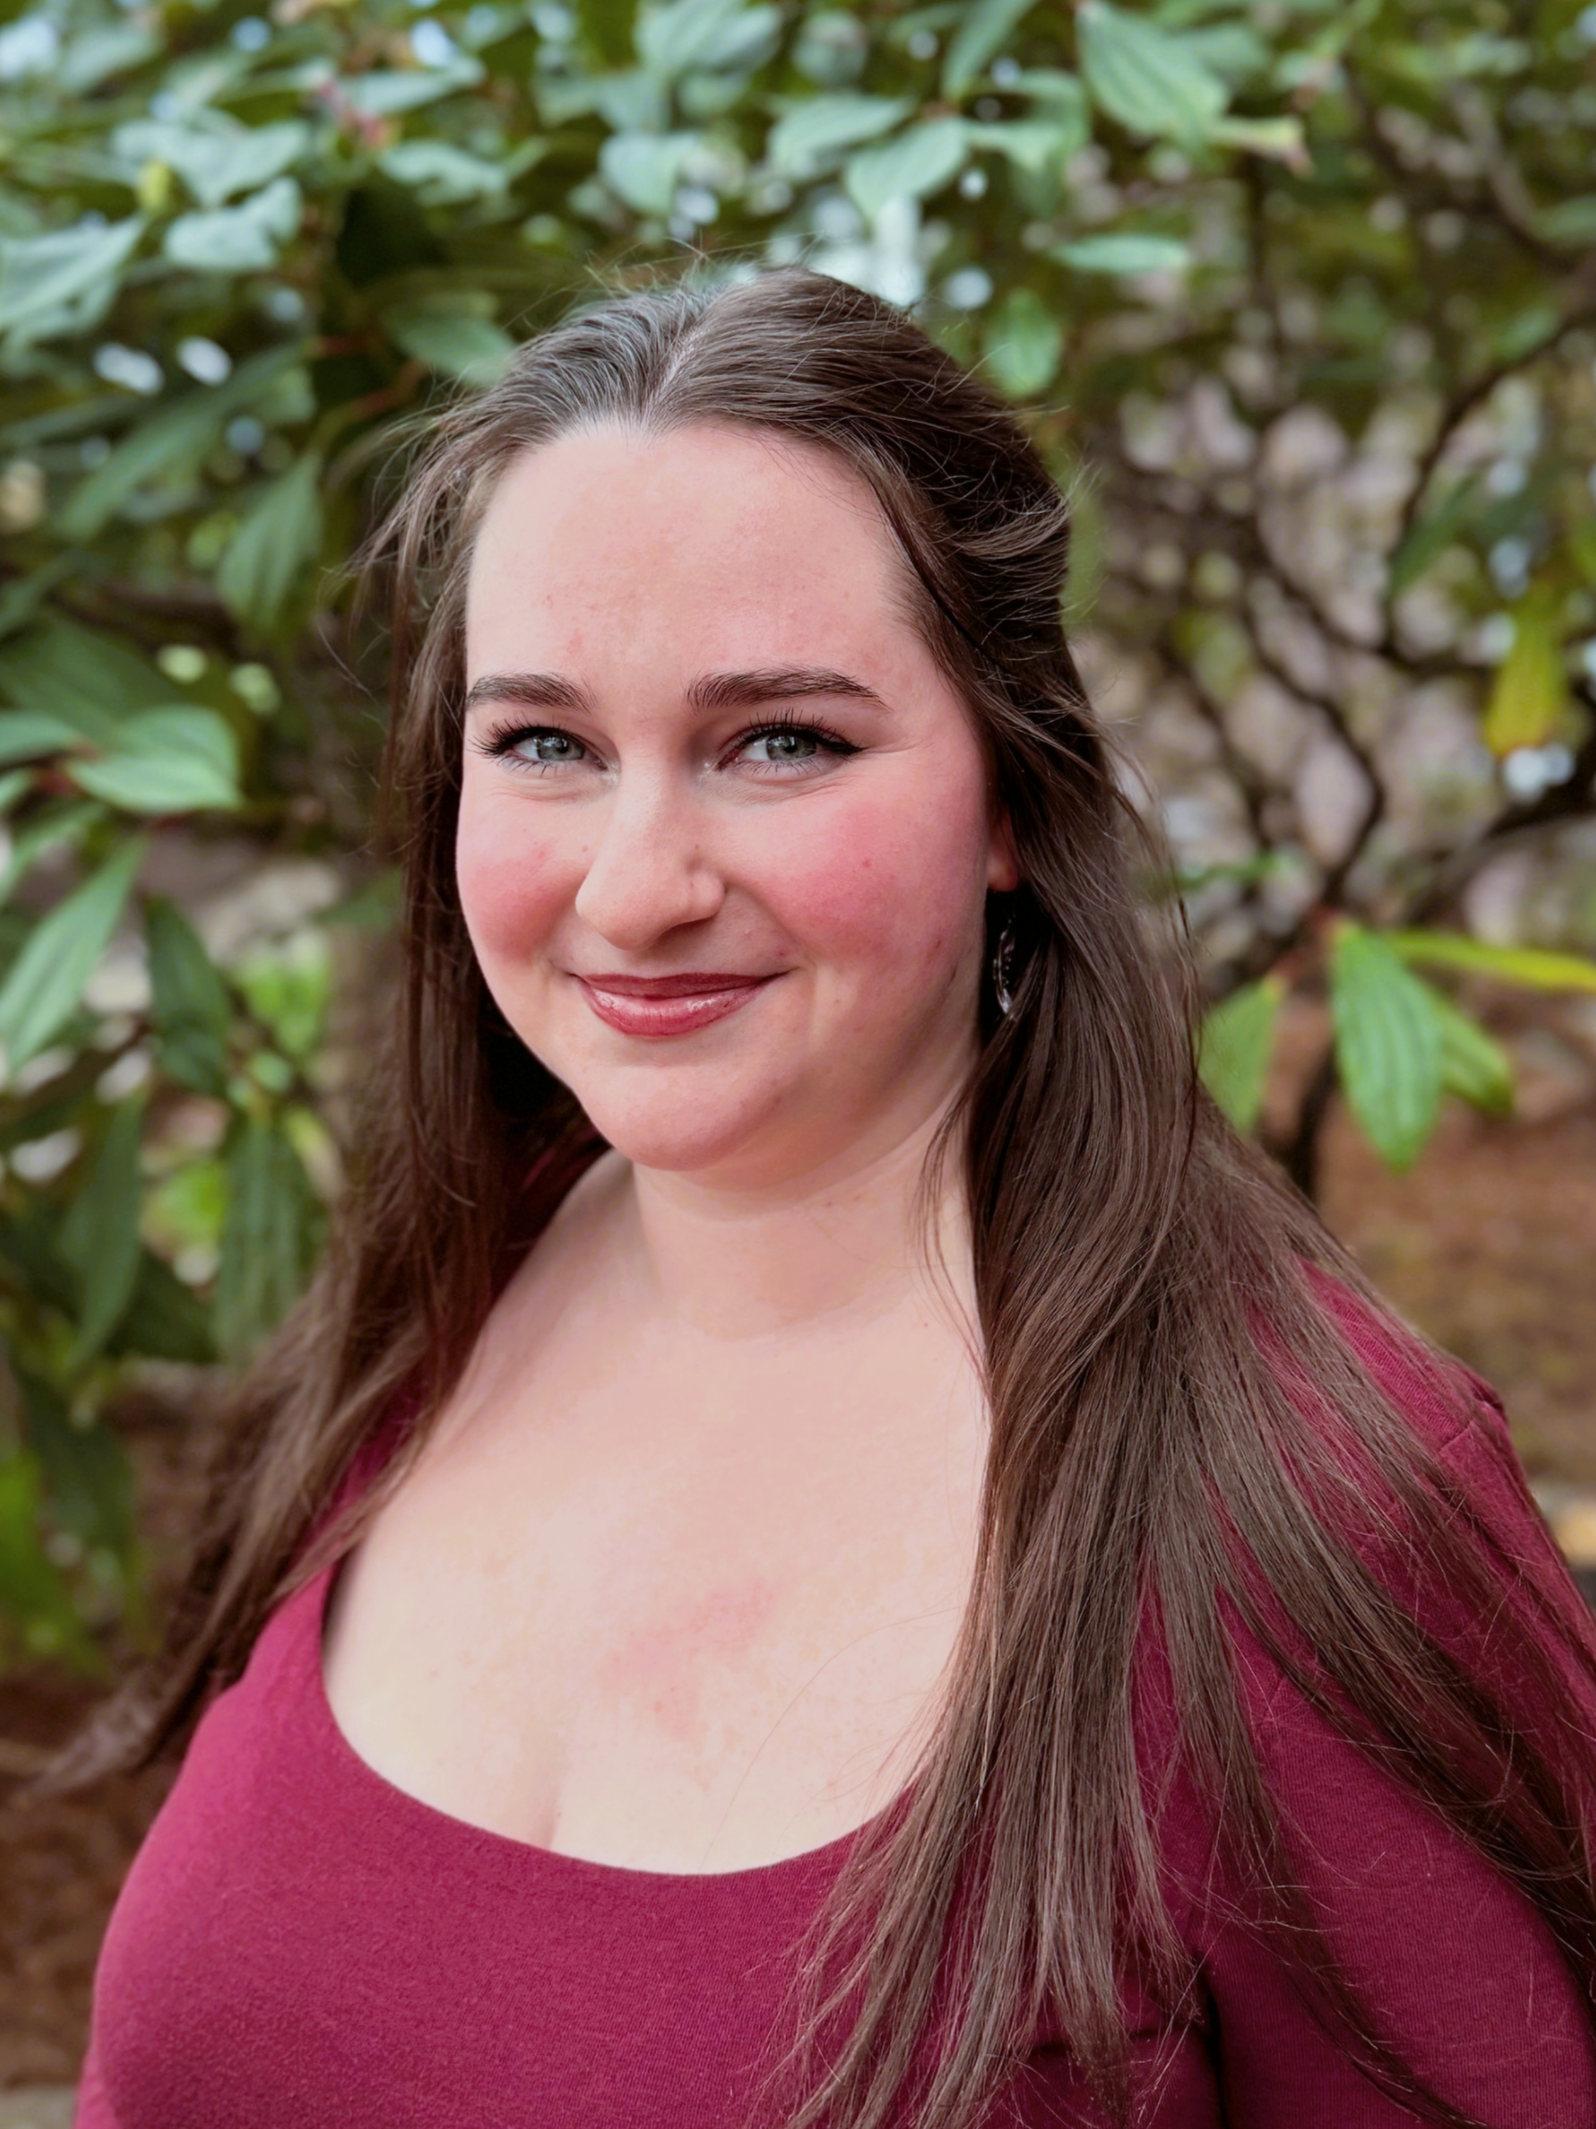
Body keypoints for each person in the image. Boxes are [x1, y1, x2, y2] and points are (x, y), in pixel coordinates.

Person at [38, 266, 1596, 2129]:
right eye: (543, 741)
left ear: (1016, 795)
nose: (634, 887)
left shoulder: (1309, 1511)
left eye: (781, 739)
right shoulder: (431, 1306)